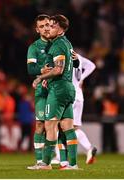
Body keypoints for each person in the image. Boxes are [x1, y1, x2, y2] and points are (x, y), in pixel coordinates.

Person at [29, 14, 78, 170]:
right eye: (46, 25)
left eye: (52, 25)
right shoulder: (68, 43)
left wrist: (40, 77)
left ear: (61, 28)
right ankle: (72, 164)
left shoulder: (57, 44)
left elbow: (58, 69)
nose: (49, 28)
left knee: (50, 126)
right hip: (69, 88)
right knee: (68, 127)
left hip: (58, 89)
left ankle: (45, 163)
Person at [58, 51, 97, 167]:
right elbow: (92, 66)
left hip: (68, 95)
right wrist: (81, 79)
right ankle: (89, 148)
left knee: (59, 127)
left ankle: (62, 159)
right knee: (73, 128)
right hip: (79, 96)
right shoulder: (77, 56)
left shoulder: (60, 57)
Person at [27, 14, 52, 166]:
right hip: (42, 91)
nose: (45, 28)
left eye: (47, 25)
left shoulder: (59, 43)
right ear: (37, 30)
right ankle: (39, 161)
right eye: (41, 26)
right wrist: (41, 70)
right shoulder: (34, 47)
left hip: (57, 89)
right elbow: (30, 69)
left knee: (60, 125)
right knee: (40, 125)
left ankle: (62, 161)